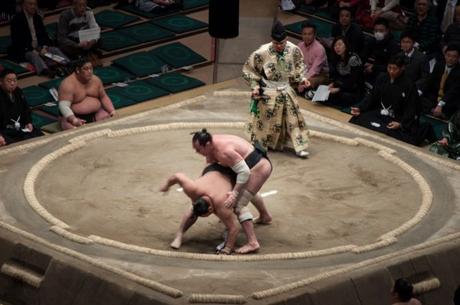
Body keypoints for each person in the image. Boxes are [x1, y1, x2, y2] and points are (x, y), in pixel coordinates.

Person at [242, 21, 311, 158]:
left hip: (286, 87)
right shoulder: (261, 52)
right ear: (271, 40)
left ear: (286, 39)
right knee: (265, 119)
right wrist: (255, 87)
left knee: (293, 118)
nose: (279, 46)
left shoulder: (294, 49)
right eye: (276, 43)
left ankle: (299, 147)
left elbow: (299, 66)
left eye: (282, 43)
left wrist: (302, 78)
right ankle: (260, 145)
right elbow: (249, 70)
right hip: (269, 89)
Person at [159, 163, 257, 255]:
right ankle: (179, 235)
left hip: (233, 174)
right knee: (193, 210)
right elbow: (177, 176)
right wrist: (166, 186)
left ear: (210, 209)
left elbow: (234, 228)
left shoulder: (223, 206)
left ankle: (263, 216)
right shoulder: (193, 190)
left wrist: (227, 248)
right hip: (212, 169)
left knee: (243, 201)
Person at [350, 55, 436, 146]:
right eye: (389, 68)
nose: (391, 71)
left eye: (395, 69)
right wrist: (360, 108)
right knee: (358, 119)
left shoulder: (409, 85)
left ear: (402, 68)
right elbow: (372, 96)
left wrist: (401, 124)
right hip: (381, 113)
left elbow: (412, 108)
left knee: (395, 135)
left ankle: (423, 130)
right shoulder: (382, 78)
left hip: (398, 118)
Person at [9, 0, 69, 76]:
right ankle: (45, 70)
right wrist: (34, 50)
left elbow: (44, 35)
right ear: (24, 5)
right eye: (30, 4)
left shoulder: (37, 18)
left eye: (35, 4)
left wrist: (44, 47)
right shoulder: (16, 20)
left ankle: (67, 63)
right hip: (25, 50)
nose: (33, 6)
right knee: (33, 55)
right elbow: (17, 42)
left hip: (39, 47)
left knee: (54, 49)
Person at [58, 57, 116, 130]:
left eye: (91, 68)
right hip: (73, 117)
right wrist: (74, 120)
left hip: (95, 113)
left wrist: (112, 111)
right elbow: (63, 106)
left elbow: (103, 96)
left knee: (108, 122)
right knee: (72, 129)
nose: (90, 71)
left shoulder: (96, 80)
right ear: (77, 70)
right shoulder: (67, 84)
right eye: (85, 69)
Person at [0, 69, 44, 147]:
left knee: (40, 136)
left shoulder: (18, 91)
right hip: (4, 130)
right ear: (1, 82)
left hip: (19, 126)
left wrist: (28, 122)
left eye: (14, 80)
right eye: (9, 81)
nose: (12, 83)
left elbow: (26, 109)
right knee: (14, 147)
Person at [418, 44, 460, 119]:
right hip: (435, 96)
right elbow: (429, 80)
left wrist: (440, 104)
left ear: (458, 58)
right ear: (445, 55)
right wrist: (420, 91)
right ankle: (434, 111)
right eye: (448, 55)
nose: (450, 58)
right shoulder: (439, 64)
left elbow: (453, 91)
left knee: (454, 104)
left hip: (448, 99)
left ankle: (437, 112)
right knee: (417, 96)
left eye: (454, 56)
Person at [324, 36, 364, 107]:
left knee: (341, 97)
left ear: (346, 46)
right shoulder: (337, 58)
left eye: (339, 44)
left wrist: (338, 89)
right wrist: (333, 84)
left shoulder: (353, 59)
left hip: (354, 88)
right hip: (342, 85)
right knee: (326, 91)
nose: (337, 47)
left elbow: (354, 80)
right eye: (335, 45)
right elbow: (337, 76)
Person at [363, 18, 400, 86]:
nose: (378, 33)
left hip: (387, 71)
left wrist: (374, 67)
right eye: (376, 30)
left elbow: (392, 66)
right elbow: (364, 55)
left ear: (387, 31)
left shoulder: (393, 45)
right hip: (374, 67)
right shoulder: (373, 40)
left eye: (381, 31)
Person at [297, 21, 329, 96]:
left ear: (314, 35)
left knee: (310, 81)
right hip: (304, 73)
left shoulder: (320, 49)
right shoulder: (299, 46)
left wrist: (303, 80)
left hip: (320, 75)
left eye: (309, 34)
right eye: (304, 34)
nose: (306, 36)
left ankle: (308, 92)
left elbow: (314, 70)